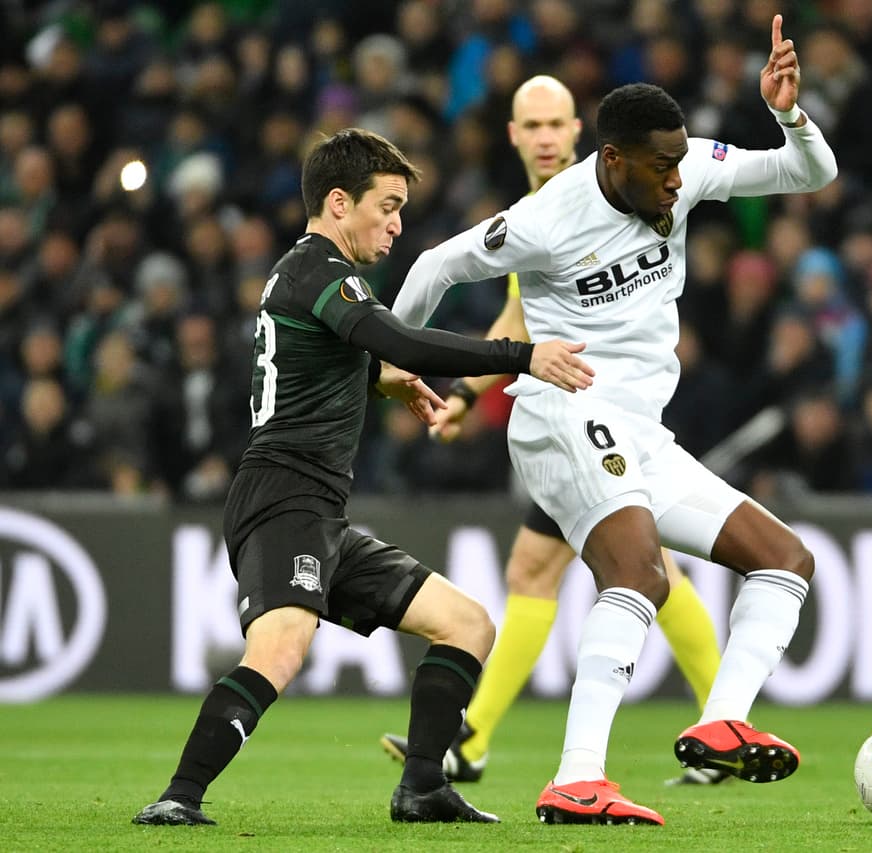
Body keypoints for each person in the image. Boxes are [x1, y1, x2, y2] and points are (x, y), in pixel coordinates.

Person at [392, 15, 836, 826]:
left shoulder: (688, 167)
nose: (677, 181)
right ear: (613, 160)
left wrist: (787, 113)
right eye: (660, 167)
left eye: (680, 161)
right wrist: (396, 362)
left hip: (641, 427)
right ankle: (576, 777)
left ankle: (719, 718)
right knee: (639, 573)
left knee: (785, 558)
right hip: (562, 410)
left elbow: (809, 172)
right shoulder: (546, 220)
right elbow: (433, 267)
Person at [132, 127, 594, 828]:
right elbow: (401, 337)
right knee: (282, 647)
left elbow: (340, 361)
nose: (398, 224)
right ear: (339, 202)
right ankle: (178, 797)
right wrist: (522, 356)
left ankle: (422, 787)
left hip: (319, 509)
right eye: (388, 206)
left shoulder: (309, 275)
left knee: (466, 624)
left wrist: (381, 381)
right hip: (282, 496)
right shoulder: (320, 270)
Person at [378, 75, 725, 788]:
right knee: (607, 566)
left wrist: (456, 387)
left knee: (567, 568)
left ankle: (475, 736)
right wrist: (468, 398)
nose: (542, 136)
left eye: (554, 124)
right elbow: (519, 323)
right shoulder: (535, 213)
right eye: (529, 124)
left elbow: (529, 322)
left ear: (580, 136)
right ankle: (720, 722)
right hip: (571, 413)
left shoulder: (591, 204)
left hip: (600, 415)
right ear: (512, 135)